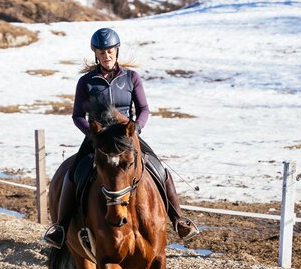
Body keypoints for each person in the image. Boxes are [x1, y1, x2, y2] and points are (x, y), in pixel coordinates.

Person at [44, 27, 199, 247]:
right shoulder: (86, 81)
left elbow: (144, 108)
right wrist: (93, 134)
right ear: (95, 53)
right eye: (101, 51)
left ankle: (178, 220)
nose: (106, 55)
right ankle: (61, 227)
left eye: (109, 51)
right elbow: (77, 115)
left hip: (127, 137)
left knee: (160, 169)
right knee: (72, 174)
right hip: (97, 139)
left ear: (116, 51)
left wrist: (136, 129)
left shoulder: (131, 78)